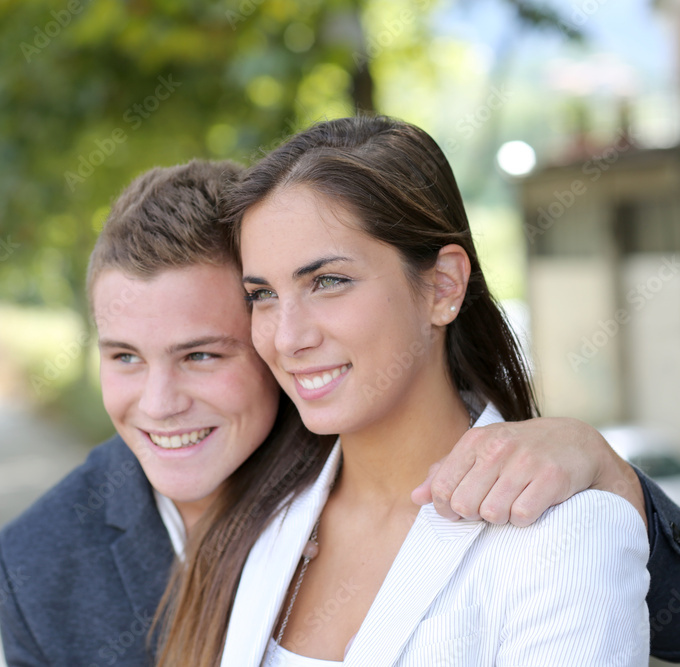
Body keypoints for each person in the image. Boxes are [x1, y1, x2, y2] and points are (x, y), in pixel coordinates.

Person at [0, 158, 680, 667]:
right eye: (124, 357)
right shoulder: (40, 561)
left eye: (203, 355)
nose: (161, 403)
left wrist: (603, 466)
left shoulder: (349, 423)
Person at [155, 117, 660, 667]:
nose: (287, 337)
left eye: (328, 281)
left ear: (442, 287)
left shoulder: (564, 536)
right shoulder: (258, 509)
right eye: (263, 294)